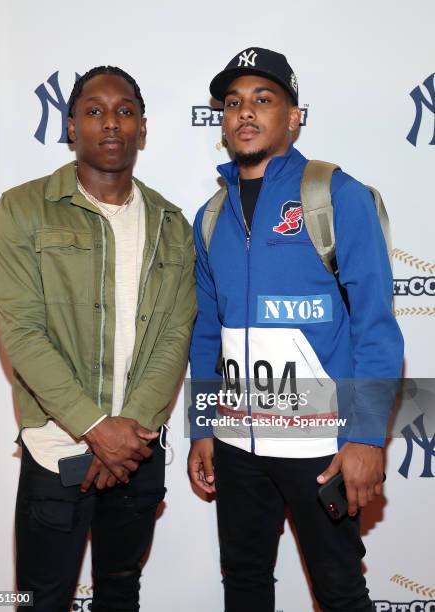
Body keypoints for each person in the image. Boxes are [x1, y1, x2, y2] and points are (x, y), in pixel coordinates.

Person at [188, 48, 403, 612]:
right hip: (237, 444)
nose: (246, 113)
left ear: (294, 116)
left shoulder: (336, 196)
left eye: (264, 99)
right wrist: (203, 428)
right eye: (233, 103)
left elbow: (376, 329)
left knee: (338, 591)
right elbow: (208, 332)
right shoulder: (210, 216)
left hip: (323, 446)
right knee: (244, 582)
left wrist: (364, 437)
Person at [0, 65, 196, 611]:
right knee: (42, 600)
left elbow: (176, 334)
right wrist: (96, 427)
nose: (111, 123)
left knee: (120, 593)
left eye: (125, 111)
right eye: (95, 110)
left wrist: (128, 434)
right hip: (57, 450)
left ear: (142, 129)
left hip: (139, 453)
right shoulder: (22, 208)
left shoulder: (172, 223)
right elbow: (23, 332)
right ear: (71, 125)